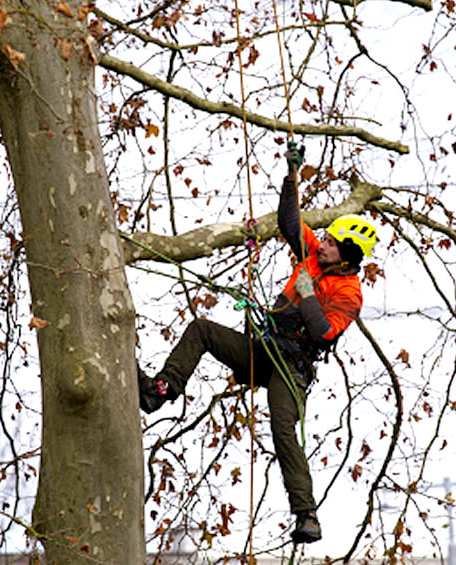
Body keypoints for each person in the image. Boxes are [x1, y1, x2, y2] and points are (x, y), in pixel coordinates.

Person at [137, 142, 377, 544]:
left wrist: (309, 297)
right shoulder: (314, 256)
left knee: (283, 428)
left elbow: (324, 334)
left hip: (291, 368)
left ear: (347, 255)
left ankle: (306, 514)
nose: (322, 244)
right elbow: (289, 222)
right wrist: (291, 176)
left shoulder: (349, 293)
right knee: (201, 330)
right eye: (325, 240)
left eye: (332, 244)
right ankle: (161, 390)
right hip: (263, 349)